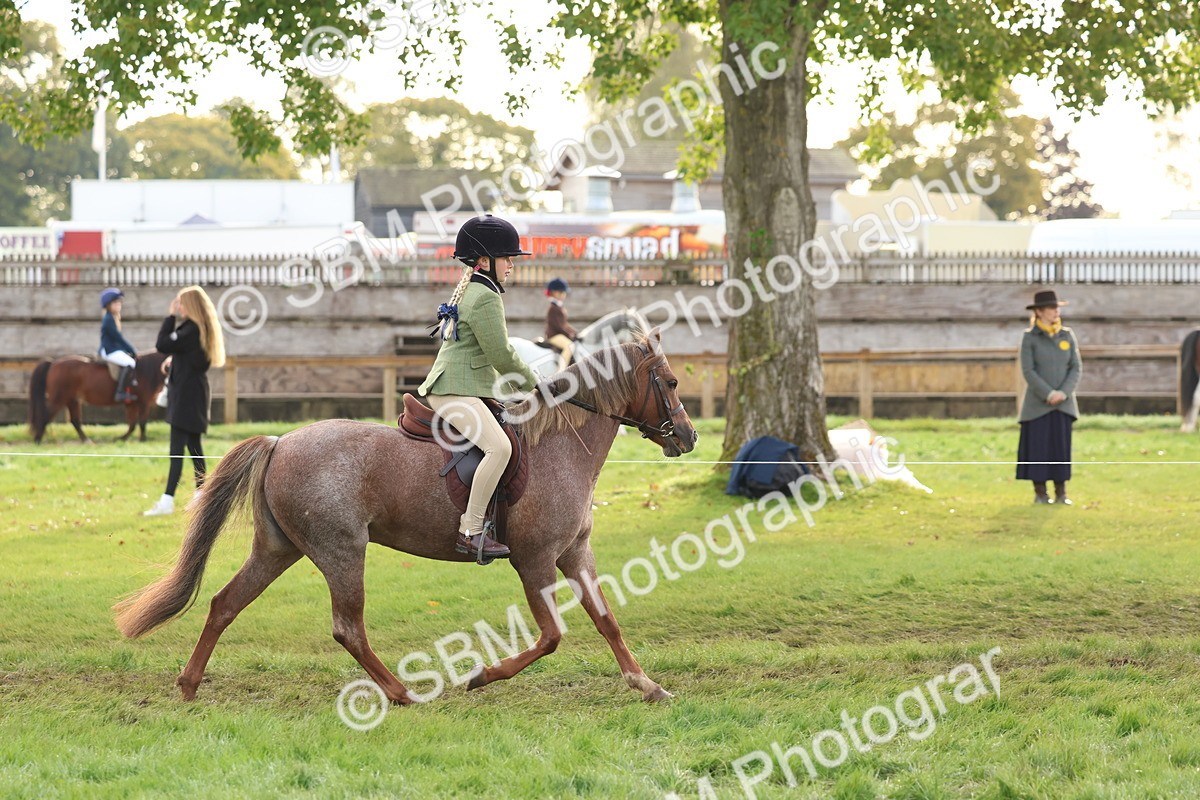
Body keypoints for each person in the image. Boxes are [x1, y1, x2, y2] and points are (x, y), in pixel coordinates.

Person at [418, 214, 539, 563]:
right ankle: (470, 531)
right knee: (499, 449)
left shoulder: (474, 288)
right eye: (508, 258)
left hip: (465, 385)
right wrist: (537, 387)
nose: (513, 265)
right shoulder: (486, 297)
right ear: (485, 261)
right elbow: (502, 354)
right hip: (453, 390)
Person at [143, 286, 225, 517]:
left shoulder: (189, 329)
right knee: (194, 447)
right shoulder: (199, 330)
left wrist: (169, 317)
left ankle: (167, 501)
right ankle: (202, 497)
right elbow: (187, 355)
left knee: (177, 449)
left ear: (189, 305)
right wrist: (174, 360)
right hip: (194, 394)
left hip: (186, 397)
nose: (177, 307)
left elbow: (162, 344)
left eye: (180, 303)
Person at [1017, 289, 1082, 505]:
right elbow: (1028, 370)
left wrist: (1063, 392)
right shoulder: (1029, 338)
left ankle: (1061, 492)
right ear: (1039, 311)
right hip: (1038, 405)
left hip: (1064, 404)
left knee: (1060, 449)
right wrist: (1048, 393)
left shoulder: (1067, 335)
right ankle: (1040, 493)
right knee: (1038, 448)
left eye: (1057, 308)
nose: (1056, 311)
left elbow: (1075, 367)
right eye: (1052, 308)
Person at [98, 287, 138, 402]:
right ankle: (120, 392)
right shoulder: (109, 319)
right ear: (108, 305)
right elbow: (118, 338)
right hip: (109, 350)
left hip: (112, 348)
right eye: (115, 303)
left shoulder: (112, 318)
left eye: (119, 303)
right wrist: (132, 349)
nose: (118, 305)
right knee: (131, 362)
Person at [544, 277, 577, 371]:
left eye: (564, 292)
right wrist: (569, 334)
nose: (564, 294)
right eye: (561, 292)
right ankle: (561, 370)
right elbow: (558, 326)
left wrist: (575, 332)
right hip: (554, 335)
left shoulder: (559, 306)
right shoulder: (553, 307)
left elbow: (565, 324)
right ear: (554, 292)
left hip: (558, 333)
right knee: (569, 346)